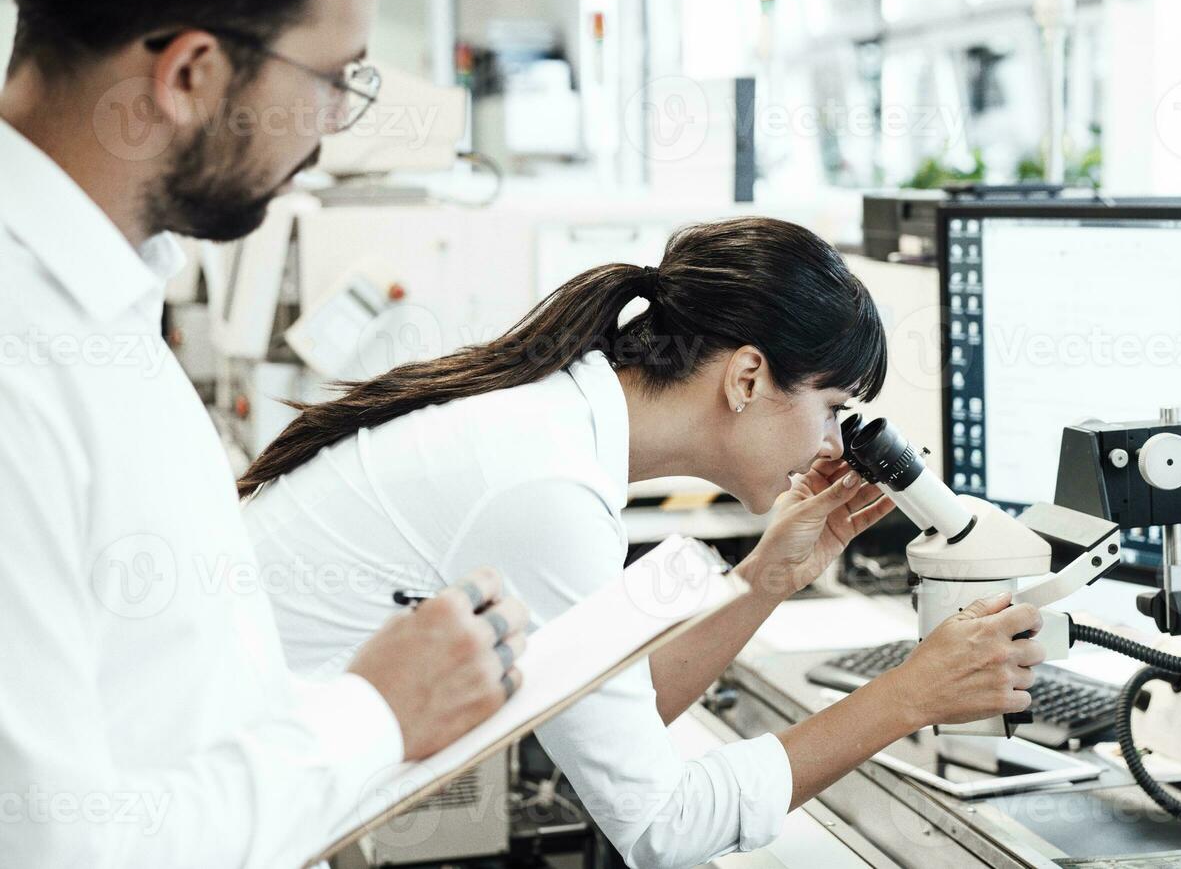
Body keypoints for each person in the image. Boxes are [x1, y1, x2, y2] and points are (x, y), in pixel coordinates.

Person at [240, 217, 1046, 869]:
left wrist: (766, 577)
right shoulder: (547, 489)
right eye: (832, 407)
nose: (836, 445)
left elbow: (617, 706)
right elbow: (663, 824)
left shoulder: (556, 429)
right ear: (746, 378)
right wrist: (911, 696)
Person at [0, 0, 528, 866]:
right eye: (332, 78)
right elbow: (54, 850)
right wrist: (375, 710)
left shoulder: (103, 300)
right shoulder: (20, 359)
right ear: (192, 73)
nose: (334, 123)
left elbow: (152, 705)